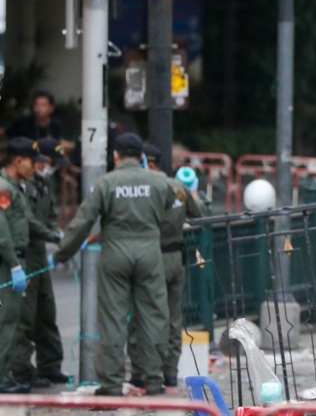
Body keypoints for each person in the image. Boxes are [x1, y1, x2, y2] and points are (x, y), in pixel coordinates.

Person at [54, 132, 176, 396]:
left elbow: (83, 221)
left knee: (113, 320)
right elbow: (169, 208)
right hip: (149, 253)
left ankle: (111, 384)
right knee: (153, 317)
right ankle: (153, 380)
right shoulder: (160, 181)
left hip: (115, 253)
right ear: (142, 157)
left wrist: (62, 254)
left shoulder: (106, 183)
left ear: (116, 155)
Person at [127, 143, 207, 390]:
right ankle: (170, 372)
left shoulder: (146, 189)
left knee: (145, 317)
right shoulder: (179, 189)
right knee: (174, 318)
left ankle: (143, 372)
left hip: (152, 257)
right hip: (176, 257)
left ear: (145, 163)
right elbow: (201, 216)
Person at [0, 138, 61, 393]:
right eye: (29, 162)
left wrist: (56, 236)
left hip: (19, 256)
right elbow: (2, 231)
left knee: (12, 320)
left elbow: (27, 222)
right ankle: (3, 378)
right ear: (18, 161)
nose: (33, 167)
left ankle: (6, 375)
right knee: (8, 321)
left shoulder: (16, 187)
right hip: (8, 259)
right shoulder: (4, 188)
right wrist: (14, 265)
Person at [7, 90, 74, 152]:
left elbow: (59, 145)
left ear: (51, 108)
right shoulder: (22, 123)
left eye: (43, 105)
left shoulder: (56, 125)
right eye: (36, 105)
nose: (39, 109)